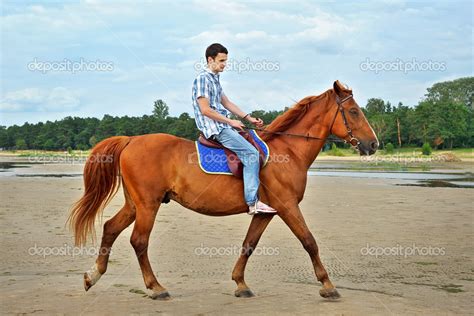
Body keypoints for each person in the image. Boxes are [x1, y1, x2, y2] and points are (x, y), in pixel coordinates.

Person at [192, 43, 277, 215]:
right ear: (210, 59)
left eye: (226, 60)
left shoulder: (215, 79)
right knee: (251, 154)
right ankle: (253, 202)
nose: (225, 64)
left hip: (223, 124)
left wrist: (248, 118)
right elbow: (205, 110)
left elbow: (227, 103)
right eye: (221, 61)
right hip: (216, 128)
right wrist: (231, 122)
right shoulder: (202, 79)